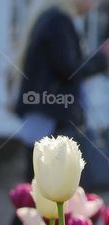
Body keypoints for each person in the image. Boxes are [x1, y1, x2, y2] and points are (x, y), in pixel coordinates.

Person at [15, 0, 109, 190]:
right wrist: (102, 57)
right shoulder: (58, 21)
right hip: (53, 119)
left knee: (40, 189)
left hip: (45, 116)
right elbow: (68, 68)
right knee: (46, 191)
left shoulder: (51, 19)